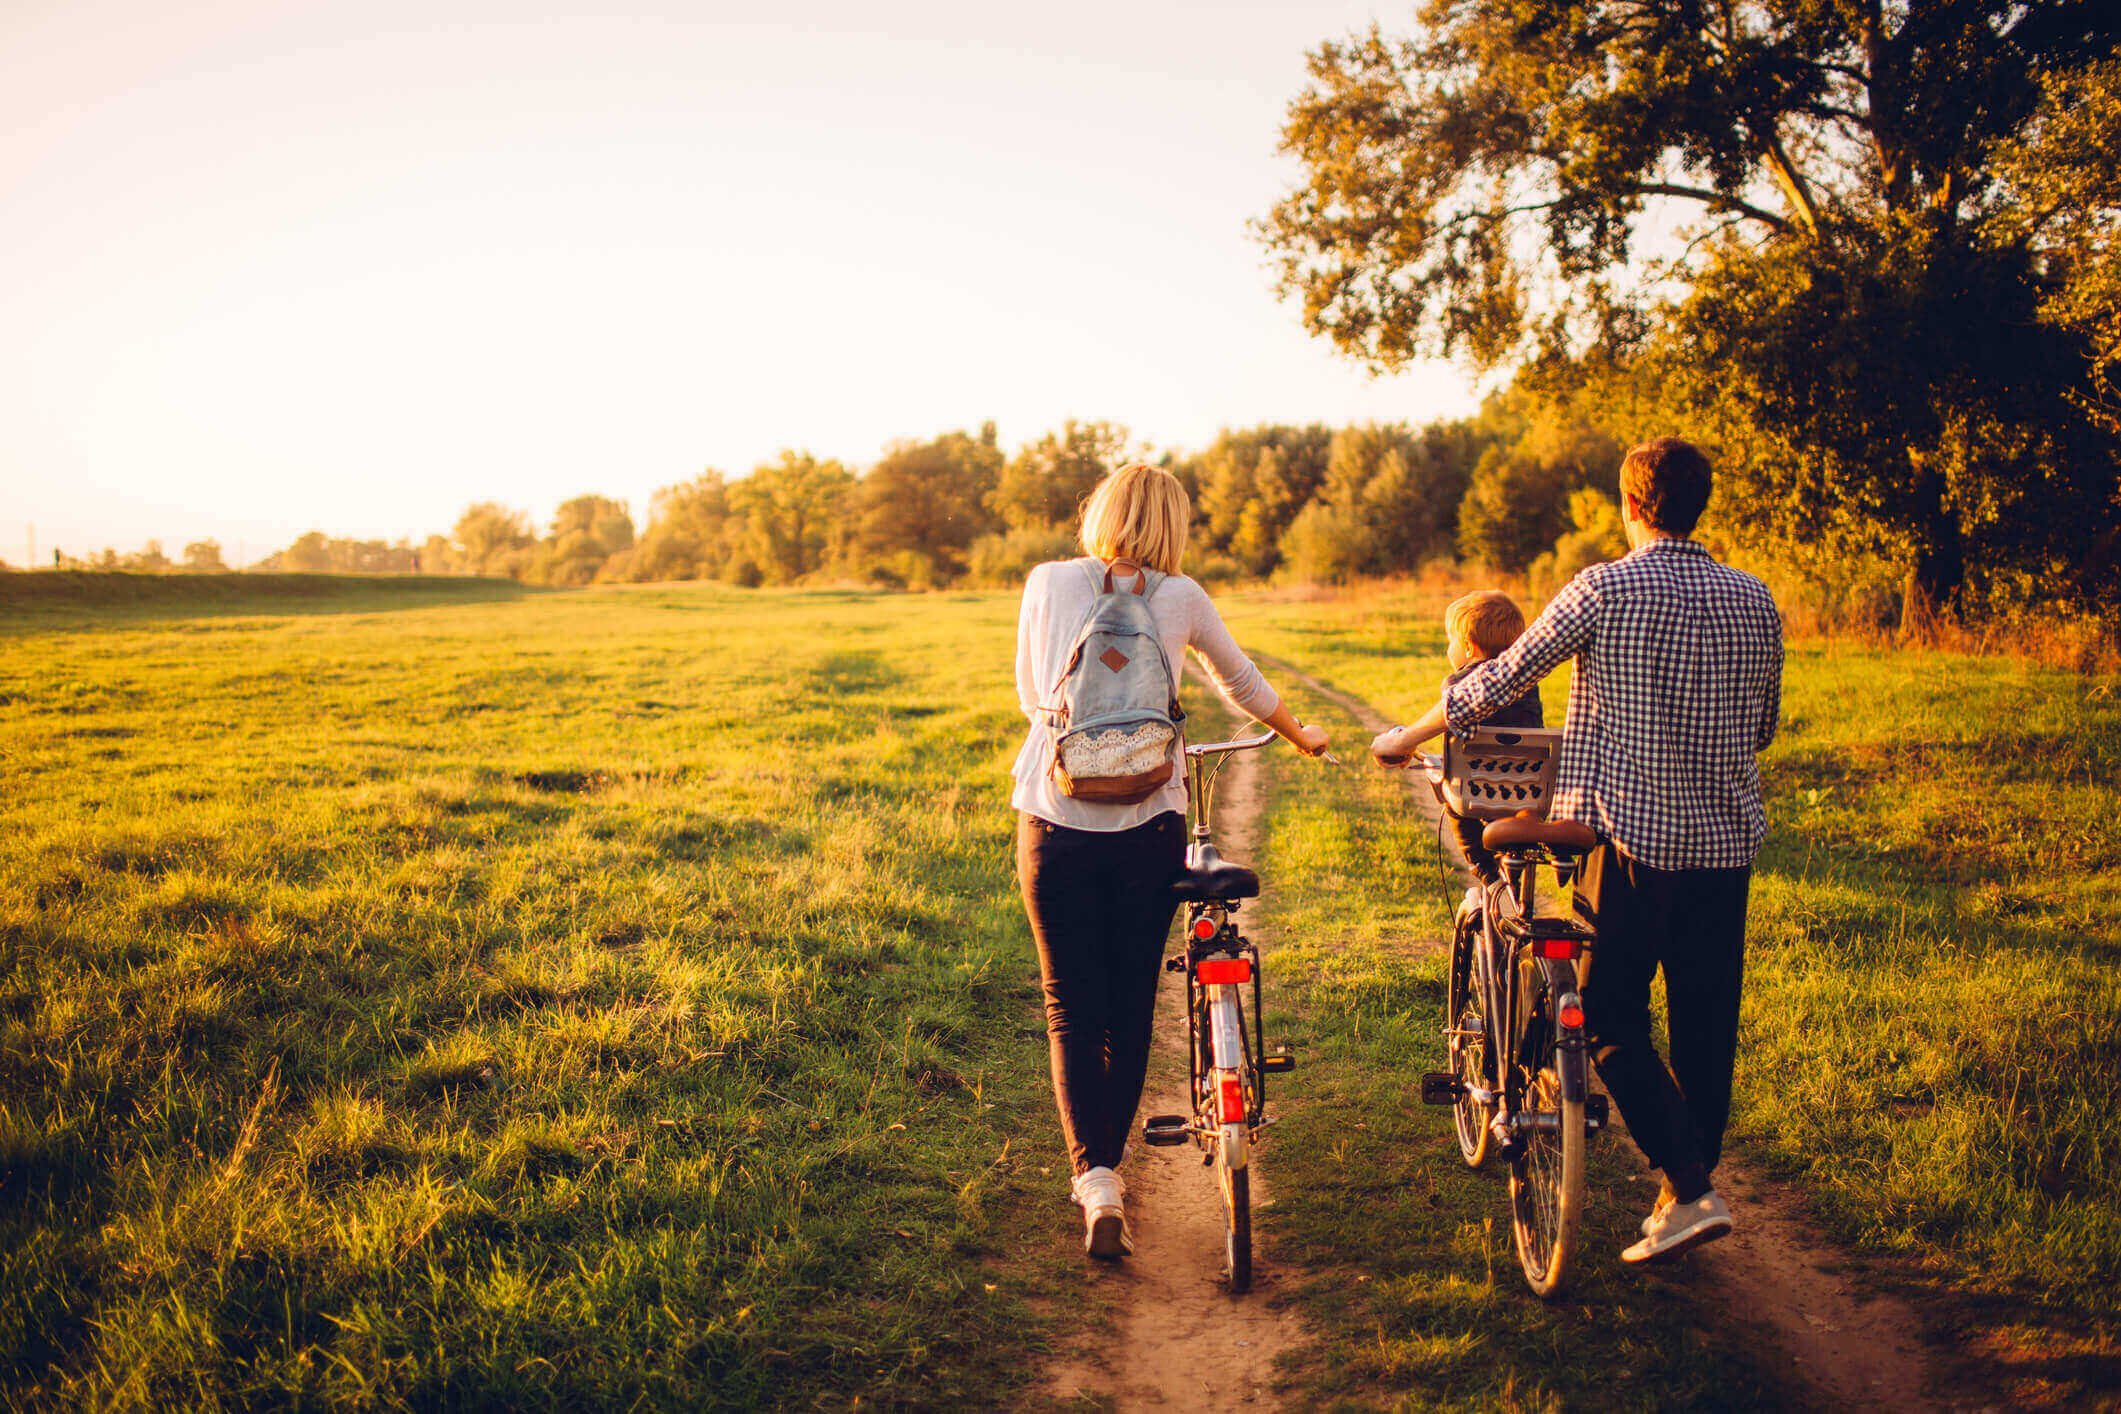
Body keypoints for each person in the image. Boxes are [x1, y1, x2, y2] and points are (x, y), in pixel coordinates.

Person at [1370, 437, 1782, 1263]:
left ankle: (1690, 1187)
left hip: (1627, 838)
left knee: (1604, 1012)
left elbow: (1487, 685)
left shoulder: (1604, 586)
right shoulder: (1754, 597)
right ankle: (1680, 1188)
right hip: (1726, 844)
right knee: (1705, 1025)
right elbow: (1762, 726)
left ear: (1629, 506)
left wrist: (1402, 736)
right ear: (1699, 506)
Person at [1013, 462, 1330, 1259]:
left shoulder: (1047, 581)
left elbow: (1029, 696)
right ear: (1173, 526)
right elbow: (1242, 685)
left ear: (1101, 513)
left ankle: (1097, 1187)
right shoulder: (1181, 597)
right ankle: (1113, 1161)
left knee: (1069, 1010)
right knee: (1126, 1007)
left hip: (1055, 819)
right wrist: (1304, 736)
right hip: (1148, 825)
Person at [1435, 590, 1544, 892]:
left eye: (1450, 641)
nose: (1449, 648)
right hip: (1527, 788)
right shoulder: (1528, 683)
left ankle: (1484, 870)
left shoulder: (1456, 684)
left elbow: (1456, 731)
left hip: (1478, 786)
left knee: (1453, 803)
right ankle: (1514, 878)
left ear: (1468, 647)